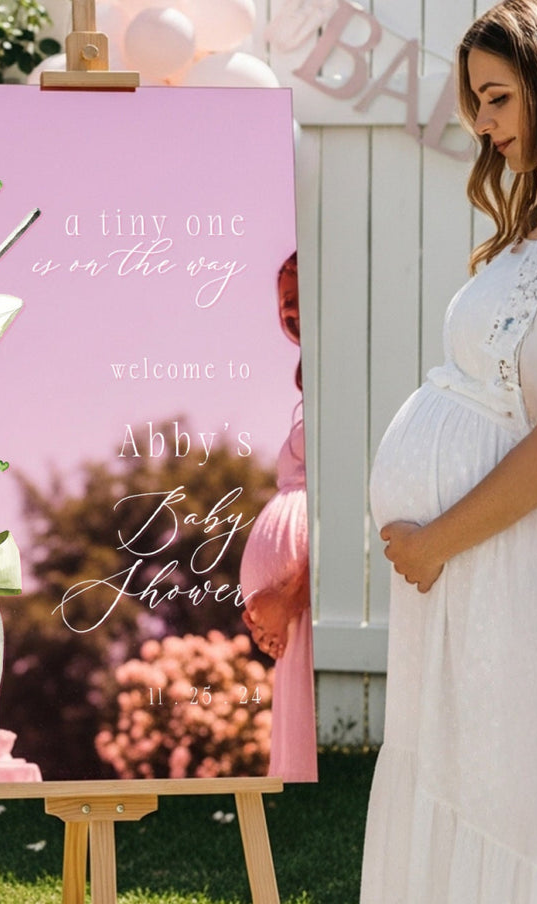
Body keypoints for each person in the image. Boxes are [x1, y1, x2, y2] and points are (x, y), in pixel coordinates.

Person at [361, 0, 537, 903]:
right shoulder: (535, 229)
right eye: (476, 98)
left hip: (520, 556)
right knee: (455, 771)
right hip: (475, 562)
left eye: (499, 96)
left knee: (507, 792)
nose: (481, 121)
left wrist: (436, 541)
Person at [239, 252, 317, 783]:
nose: (289, 311)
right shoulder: (312, 388)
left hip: (309, 603)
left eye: (298, 297)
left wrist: (289, 596)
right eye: (283, 304)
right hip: (295, 612)